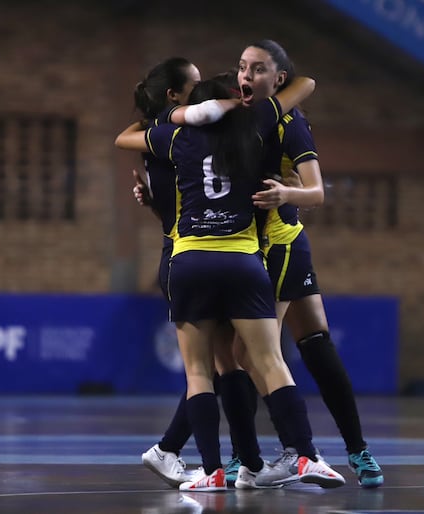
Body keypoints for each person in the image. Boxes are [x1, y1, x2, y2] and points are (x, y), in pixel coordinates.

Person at [116, 74, 346, 491]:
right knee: (270, 361)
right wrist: (241, 106)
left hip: (190, 260)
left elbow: (126, 137)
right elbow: (304, 85)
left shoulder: (175, 139)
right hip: (243, 261)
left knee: (199, 373)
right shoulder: (255, 133)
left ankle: (213, 472)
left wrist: (186, 113)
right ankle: (306, 456)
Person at [234, 39, 384, 489]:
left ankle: (291, 452)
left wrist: (285, 194)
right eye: (241, 67)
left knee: (248, 354)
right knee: (315, 343)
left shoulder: (289, 123)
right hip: (271, 245)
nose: (246, 76)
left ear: (278, 79)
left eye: (257, 69)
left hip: (277, 245)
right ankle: (355, 453)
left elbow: (317, 193)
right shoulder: (240, 117)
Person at [126, 58, 259, 489]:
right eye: (198, 85)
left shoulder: (163, 142)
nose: (208, 92)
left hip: (186, 253)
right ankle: (217, 459)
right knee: (220, 366)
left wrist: (150, 200)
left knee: (225, 366)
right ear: (175, 98)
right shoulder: (177, 138)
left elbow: (167, 202)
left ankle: (216, 458)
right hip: (188, 255)